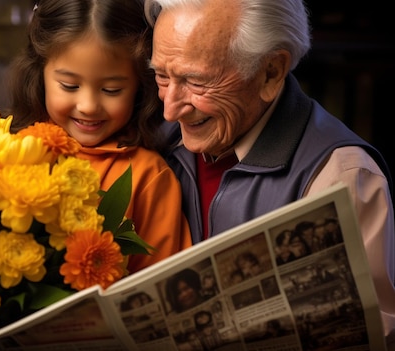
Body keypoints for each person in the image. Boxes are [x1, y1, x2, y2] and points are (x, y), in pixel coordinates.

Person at [143, 0, 395, 345]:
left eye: (196, 81)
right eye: (161, 76)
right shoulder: (154, 141)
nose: (170, 110)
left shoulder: (342, 176)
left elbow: (364, 339)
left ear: (271, 72)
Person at [6, 0, 192, 274]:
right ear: (39, 74)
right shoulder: (8, 152)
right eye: (69, 86)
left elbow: (164, 282)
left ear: (141, 86)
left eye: (112, 90)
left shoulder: (148, 176)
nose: (89, 105)